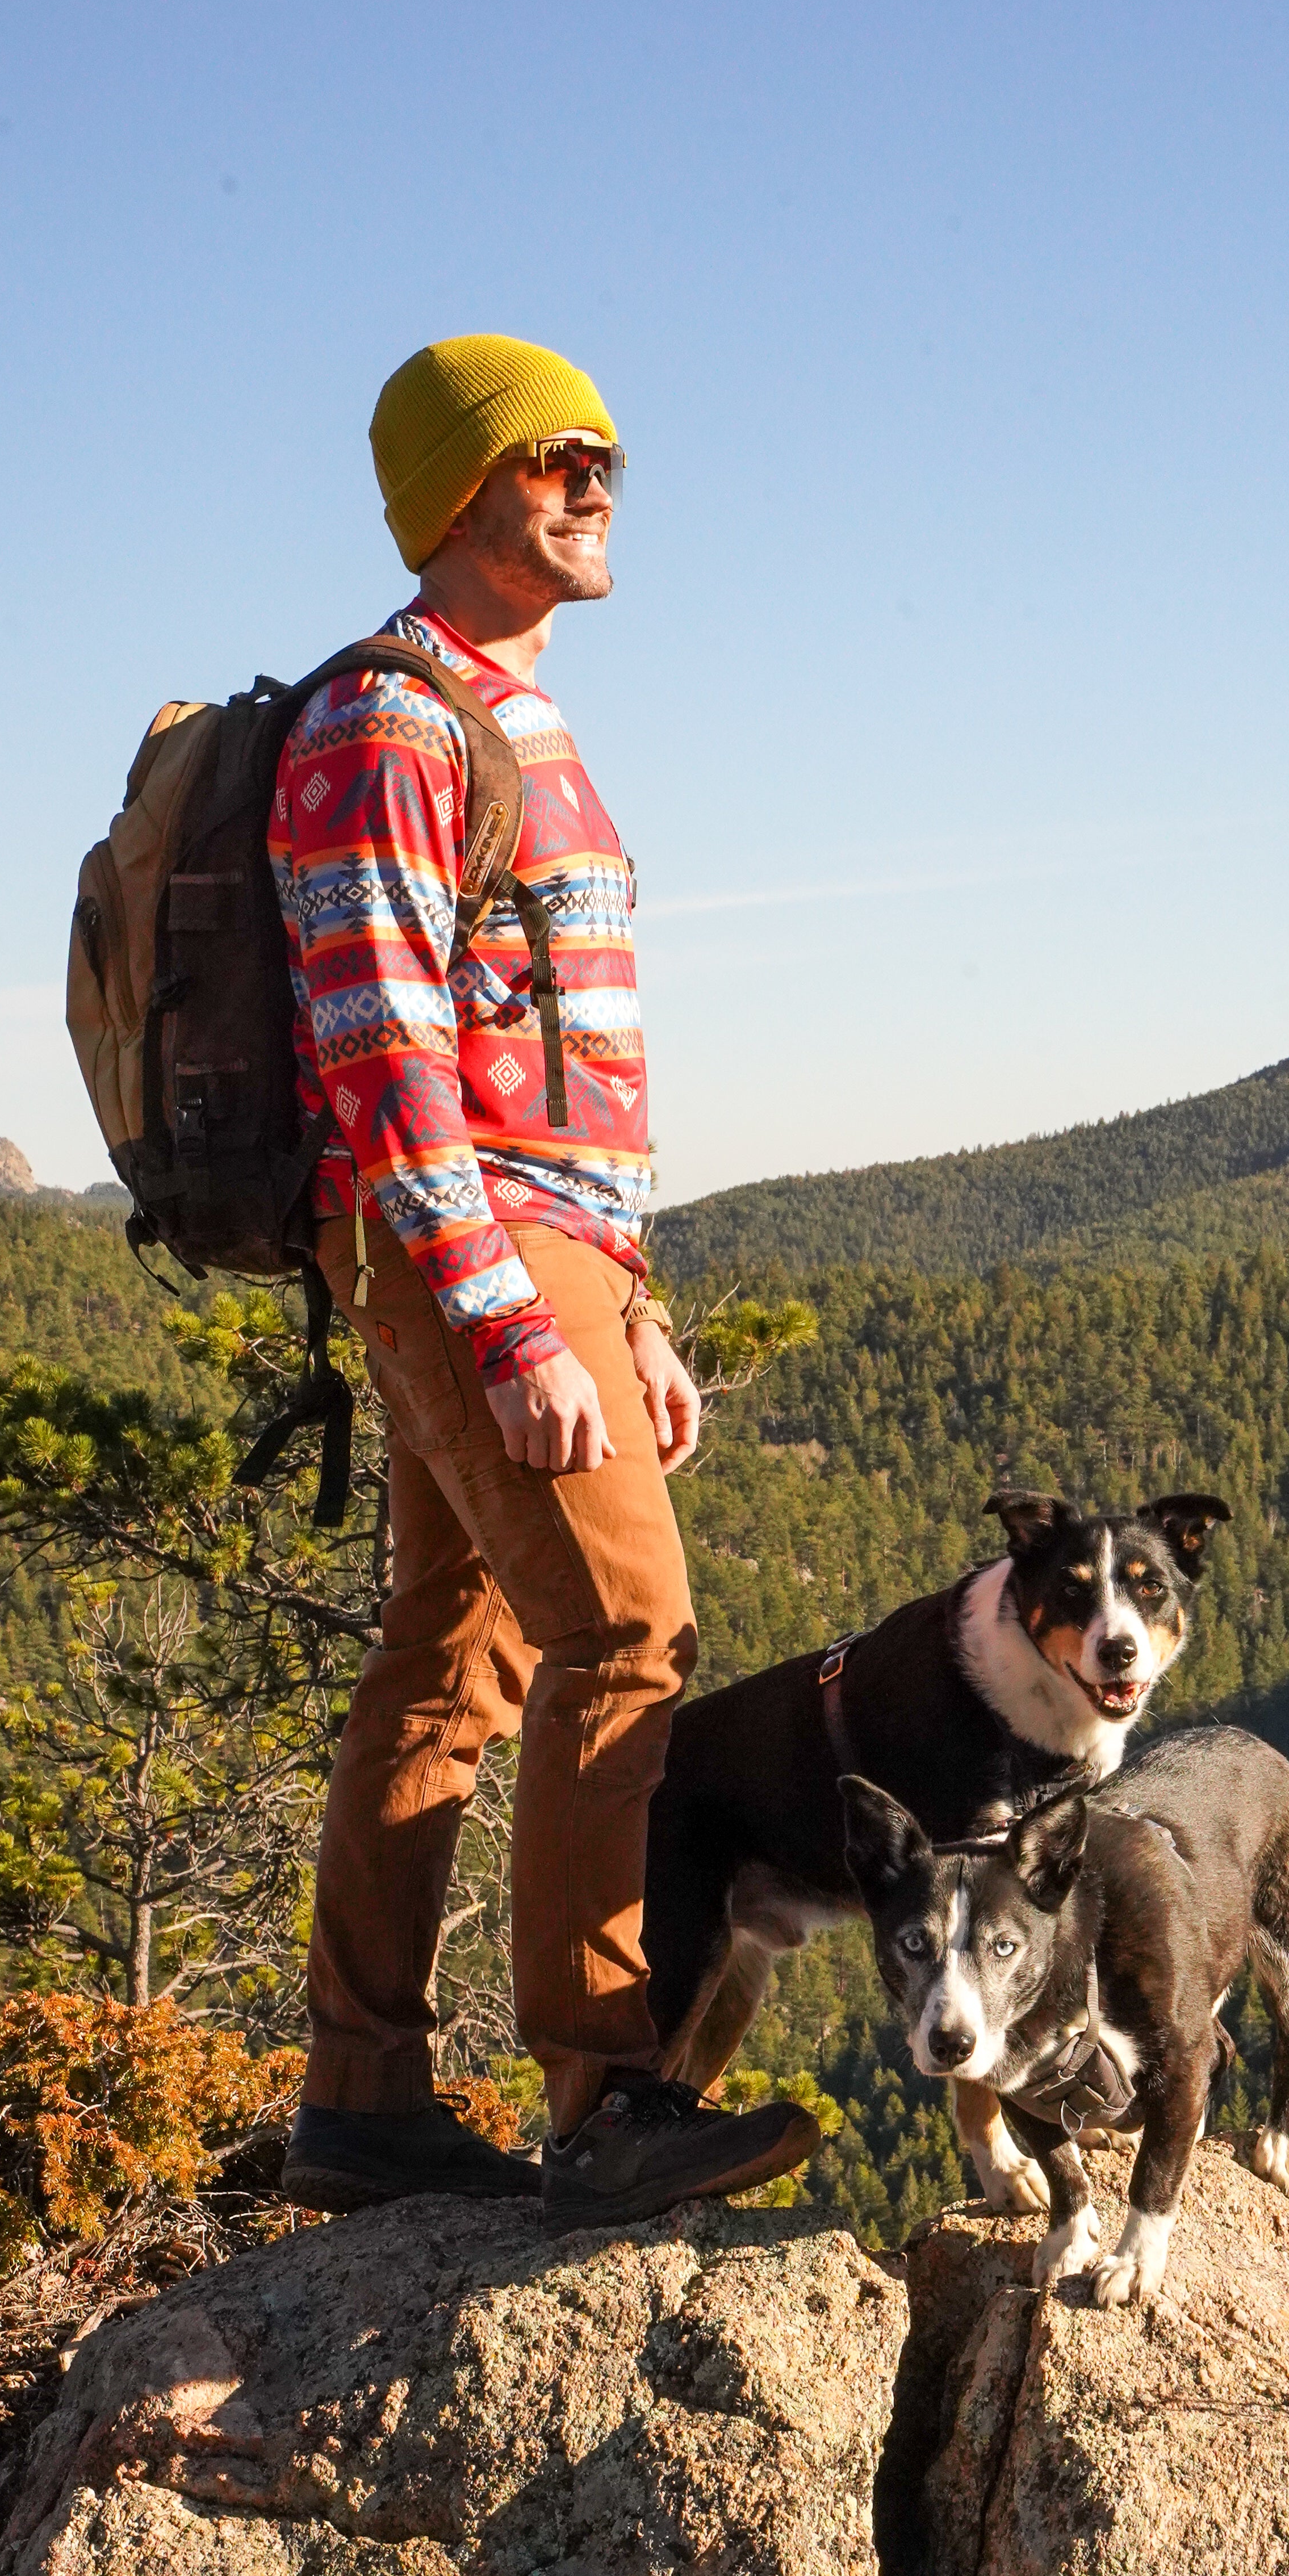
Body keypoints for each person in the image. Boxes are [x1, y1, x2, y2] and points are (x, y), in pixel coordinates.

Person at [273, 334, 818, 2229]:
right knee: (623, 1634)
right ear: (453, 493)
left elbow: (566, 1049)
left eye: (607, 460)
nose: (597, 486)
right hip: (468, 1239)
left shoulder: (531, 730)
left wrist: (634, 1293)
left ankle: (362, 2098)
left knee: (461, 1649)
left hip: (553, 1235)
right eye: (552, 460)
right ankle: (608, 2092)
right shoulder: (389, 725)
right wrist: (509, 1319)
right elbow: (383, 1047)